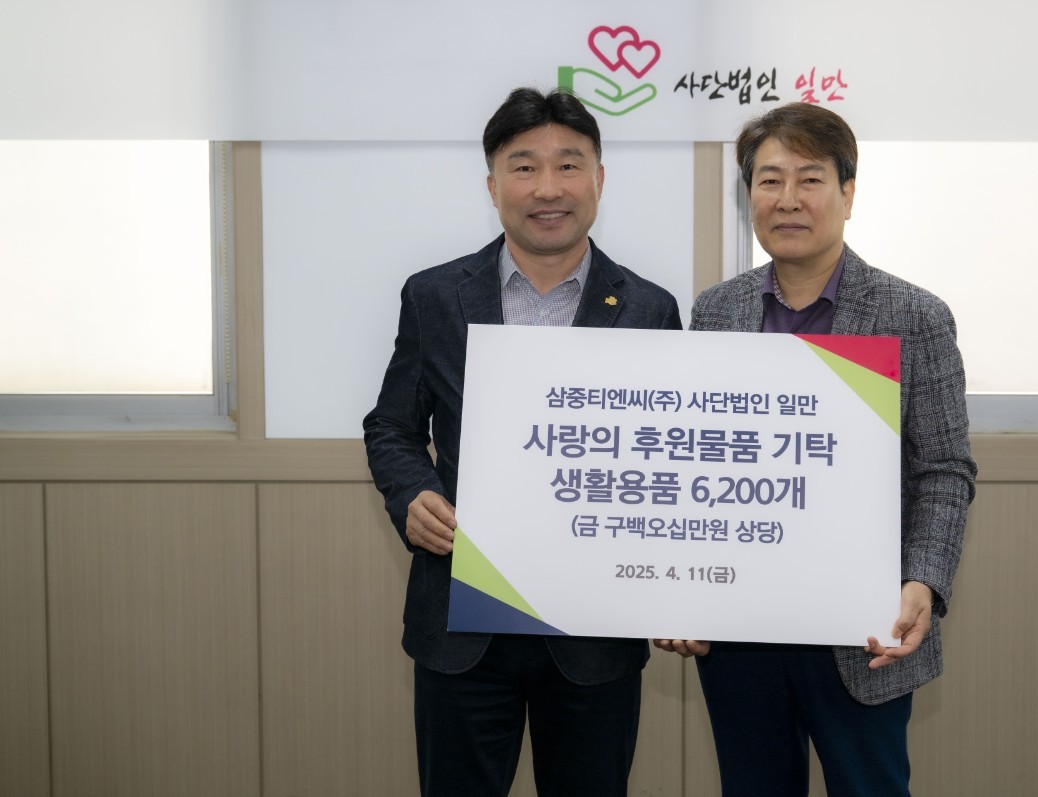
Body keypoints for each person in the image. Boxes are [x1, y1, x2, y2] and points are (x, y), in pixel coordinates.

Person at [364, 86, 683, 797]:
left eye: (569, 165)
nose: (548, 188)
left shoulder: (648, 308)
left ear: (599, 180)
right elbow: (391, 426)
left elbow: (667, 459)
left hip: (595, 633)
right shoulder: (435, 296)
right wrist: (412, 493)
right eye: (524, 166)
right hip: (463, 629)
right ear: (492, 184)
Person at [655, 103, 976, 796]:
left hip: (864, 631)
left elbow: (945, 470)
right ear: (749, 196)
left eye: (810, 179)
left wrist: (922, 580)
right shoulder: (716, 312)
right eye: (769, 181)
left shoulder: (913, 316)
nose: (789, 199)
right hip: (740, 630)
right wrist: (682, 589)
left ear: (847, 193)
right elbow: (696, 464)